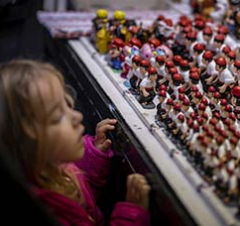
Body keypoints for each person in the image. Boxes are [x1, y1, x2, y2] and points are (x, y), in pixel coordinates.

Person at [0, 59, 151, 226]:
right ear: (25, 141)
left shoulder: (54, 168)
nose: (77, 116)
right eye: (57, 116)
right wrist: (130, 216)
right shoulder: (52, 212)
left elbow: (84, 202)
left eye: (67, 105)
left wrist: (94, 154)